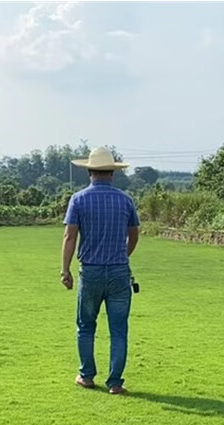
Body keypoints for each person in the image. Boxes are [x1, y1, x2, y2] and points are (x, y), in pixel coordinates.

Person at [61, 146, 141, 395]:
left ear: (90, 172)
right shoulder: (125, 200)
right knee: (119, 329)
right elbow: (134, 234)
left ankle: (86, 376)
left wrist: (65, 270)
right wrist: (122, 255)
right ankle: (115, 382)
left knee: (86, 325)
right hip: (119, 272)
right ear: (112, 173)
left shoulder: (79, 199)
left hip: (91, 271)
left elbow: (70, 236)